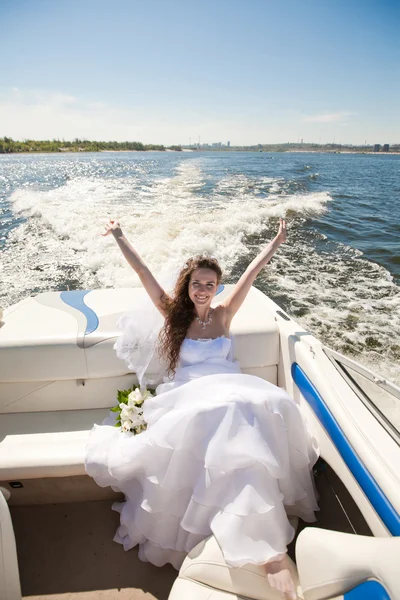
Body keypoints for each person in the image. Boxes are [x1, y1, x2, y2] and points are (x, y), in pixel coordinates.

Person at [85, 218, 319, 600]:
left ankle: (262, 540)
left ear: (216, 286)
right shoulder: (174, 313)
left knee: (268, 401)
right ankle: (267, 550)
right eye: (197, 284)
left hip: (232, 384)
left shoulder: (225, 313)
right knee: (226, 409)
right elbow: (142, 270)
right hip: (192, 389)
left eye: (210, 284)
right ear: (188, 285)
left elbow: (253, 272)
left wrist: (276, 241)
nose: (204, 290)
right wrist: (119, 236)